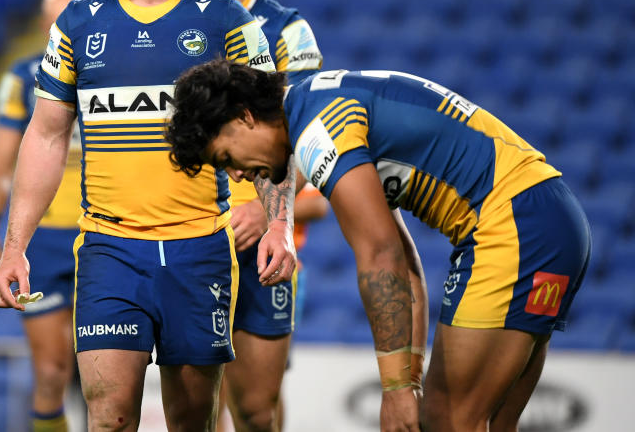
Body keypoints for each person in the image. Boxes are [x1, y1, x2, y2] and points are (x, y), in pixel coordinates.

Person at [0, 0, 298, 431]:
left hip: (200, 248)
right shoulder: (79, 25)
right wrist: (15, 246)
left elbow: (270, 129)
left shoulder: (230, 23)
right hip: (110, 251)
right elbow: (46, 135)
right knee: (107, 418)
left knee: (190, 421)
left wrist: (278, 223)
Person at [166, 60, 591, 432]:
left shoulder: (318, 132)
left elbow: (381, 255)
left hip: (513, 226)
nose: (237, 176)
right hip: (549, 220)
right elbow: (405, 263)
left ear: (244, 117)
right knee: (492, 423)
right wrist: (411, 379)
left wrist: (394, 390)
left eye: (224, 159)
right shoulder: (320, 102)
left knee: (448, 420)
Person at [183, 0, 328, 431]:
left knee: (256, 408)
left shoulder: (288, 31)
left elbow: (308, 133)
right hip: (188, 235)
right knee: (197, 405)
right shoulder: (168, 28)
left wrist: (270, 215)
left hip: (261, 246)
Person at [0, 0, 90, 432]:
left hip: (102, 235)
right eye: (57, 16)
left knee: (110, 376)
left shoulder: (116, 70)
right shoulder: (24, 79)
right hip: (41, 244)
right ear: (46, 25)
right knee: (50, 372)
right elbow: (0, 162)